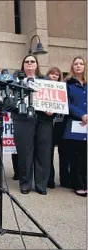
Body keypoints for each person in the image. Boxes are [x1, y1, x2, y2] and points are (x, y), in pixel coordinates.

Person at [12, 55, 53, 195]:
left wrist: (52, 109)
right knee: (24, 152)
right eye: (27, 61)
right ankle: (25, 183)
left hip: (43, 119)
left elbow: (54, 99)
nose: (30, 64)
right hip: (22, 118)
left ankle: (41, 185)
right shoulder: (15, 80)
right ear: (23, 65)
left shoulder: (46, 80)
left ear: (37, 65)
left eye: (32, 61)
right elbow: (9, 100)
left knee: (43, 152)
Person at [62, 56, 87, 197]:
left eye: (81, 64)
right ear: (72, 67)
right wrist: (81, 115)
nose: (78, 66)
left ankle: (86, 182)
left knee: (86, 156)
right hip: (75, 124)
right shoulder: (68, 84)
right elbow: (67, 103)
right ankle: (78, 184)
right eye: (76, 64)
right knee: (76, 156)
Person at [46, 67, 70, 189]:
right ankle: (50, 180)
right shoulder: (44, 88)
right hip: (48, 125)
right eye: (52, 74)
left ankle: (65, 179)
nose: (54, 76)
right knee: (48, 154)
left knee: (64, 153)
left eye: (57, 74)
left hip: (61, 125)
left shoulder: (63, 89)